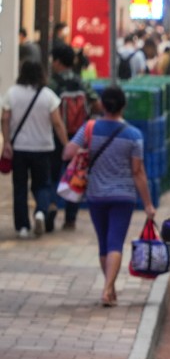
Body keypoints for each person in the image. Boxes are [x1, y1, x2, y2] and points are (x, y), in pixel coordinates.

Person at [61, 86, 156, 307]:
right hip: (124, 197)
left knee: (104, 245)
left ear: (102, 105)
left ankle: (109, 287)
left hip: (96, 195)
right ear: (124, 106)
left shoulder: (89, 128)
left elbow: (68, 152)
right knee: (115, 243)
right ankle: (108, 289)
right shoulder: (134, 135)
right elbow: (138, 172)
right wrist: (148, 204)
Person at [2, 59, 69, 239]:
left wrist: (6, 141)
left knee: (20, 187)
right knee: (43, 184)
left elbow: (5, 118)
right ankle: (40, 211)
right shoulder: (48, 95)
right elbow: (57, 122)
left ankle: (22, 227)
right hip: (43, 148)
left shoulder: (12, 93)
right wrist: (66, 143)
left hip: (20, 149)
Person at [48, 44, 102, 231]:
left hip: (55, 137)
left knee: (52, 175)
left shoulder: (52, 83)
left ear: (57, 61)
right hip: (80, 138)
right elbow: (96, 105)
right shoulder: (81, 83)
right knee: (76, 176)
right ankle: (70, 219)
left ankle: (50, 208)